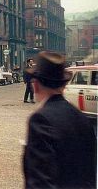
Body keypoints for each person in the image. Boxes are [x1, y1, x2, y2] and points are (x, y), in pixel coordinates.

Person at [23, 51, 97, 189]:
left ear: (36, 84)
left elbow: (40, 183)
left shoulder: (41, 120)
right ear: (63, 85)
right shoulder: (81, 117)